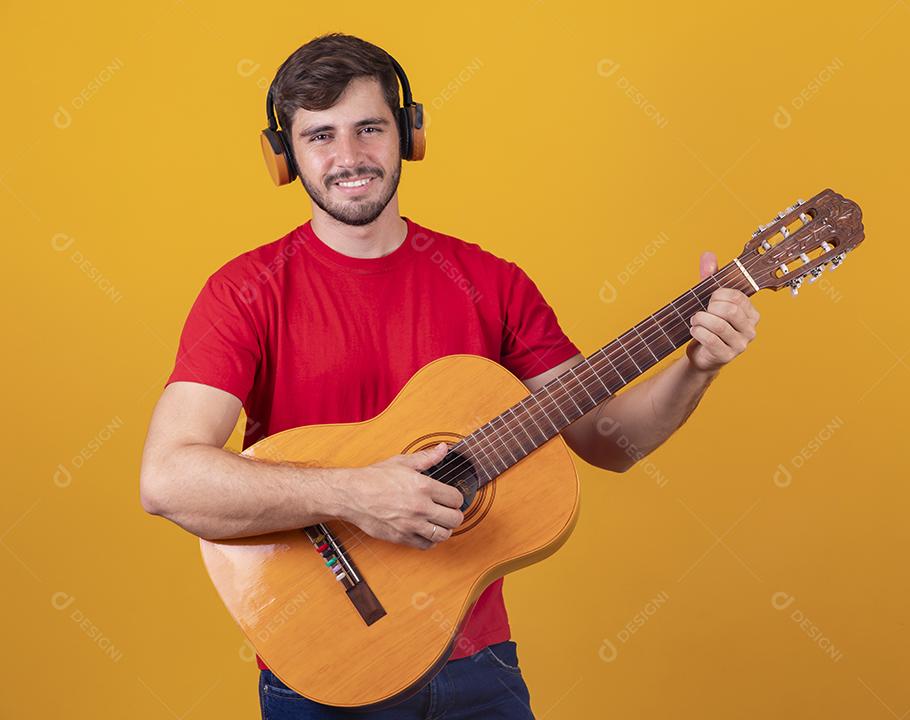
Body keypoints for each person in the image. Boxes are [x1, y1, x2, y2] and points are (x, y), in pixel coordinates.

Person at [139, 32, 760, 720]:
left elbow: (609, 441)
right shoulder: (246, 291)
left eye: (370, 128)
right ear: (284, 158)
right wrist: (356, 494)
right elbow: (167, 479)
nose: (348, 157)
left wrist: (697, 368)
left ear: (410, 135)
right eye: (320, 136)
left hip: (481, 669)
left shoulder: (491, 283)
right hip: (324, 666)